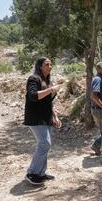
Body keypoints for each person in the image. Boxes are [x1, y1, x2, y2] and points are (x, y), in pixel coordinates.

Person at [24, 57, 61, 185]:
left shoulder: (46, 80)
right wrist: (51, 90)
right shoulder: (33, 78)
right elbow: (33, 96)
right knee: (45, 144)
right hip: (35, 117)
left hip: (46, 117)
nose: (50, 66)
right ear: (40, 66)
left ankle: (40, 173)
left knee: (45, 145)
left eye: (51, 64)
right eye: (47, 64)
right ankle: (32, 173)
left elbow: (48, 102)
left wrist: (55, 116)